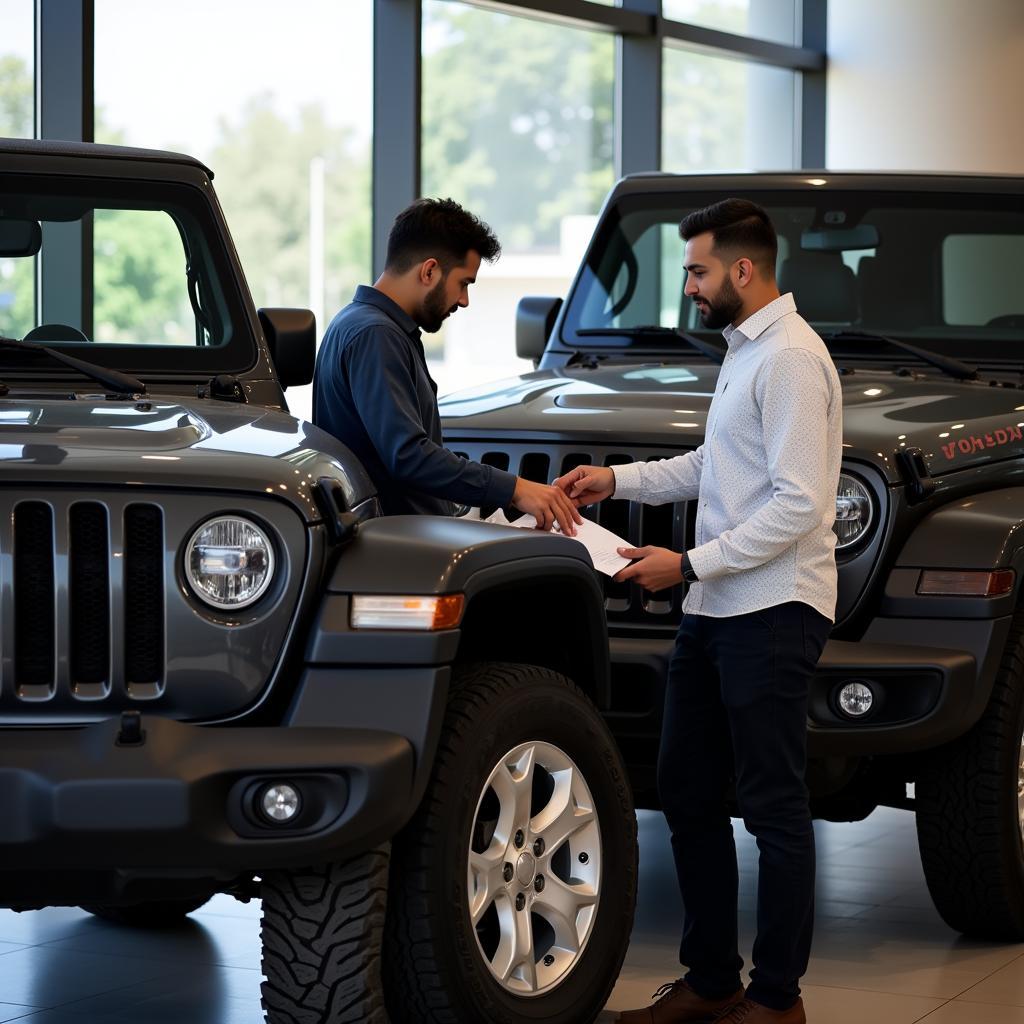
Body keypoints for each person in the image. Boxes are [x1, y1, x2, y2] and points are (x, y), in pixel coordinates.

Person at [555, 199, 842, 1024]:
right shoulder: (748, 352)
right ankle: (713, 980)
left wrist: (686, 564)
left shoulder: (789, 358)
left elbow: (798, 508)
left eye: (697, 270)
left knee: (774, 808)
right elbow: (717, 466)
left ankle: (777, 999)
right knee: (686, 789)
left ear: (742, 271)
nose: (688, 286)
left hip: (772, 608)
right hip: (717, 608)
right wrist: (618, 480)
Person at [313, 197, 581, 534]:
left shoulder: (364, 326)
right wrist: (514, 489)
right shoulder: (377, 334)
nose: (464, 300)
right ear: (429, 271)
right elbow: (409, 456)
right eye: (464, 283)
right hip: (399, 547)